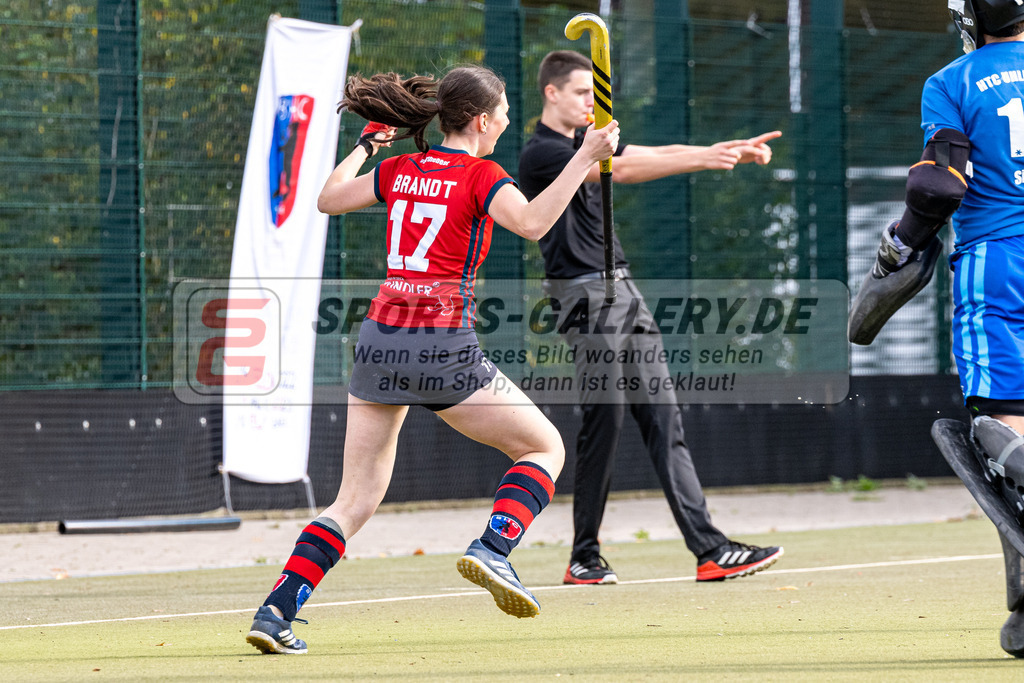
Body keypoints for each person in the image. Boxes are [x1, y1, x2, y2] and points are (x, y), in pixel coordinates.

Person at [245, 65, 620, 654]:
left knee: (354, 500)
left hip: (379, 339)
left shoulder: (397, 169)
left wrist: (367, 146)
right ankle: (494, 548)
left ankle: (275, 611)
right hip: (441, 344)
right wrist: (585, 156)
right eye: (498, 116)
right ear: (478, 120)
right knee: (544, 448)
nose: (501, 125)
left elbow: (327, 199)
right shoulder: (482, 174)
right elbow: (531, 223)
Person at [518, 50, 784, 586]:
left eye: (593, 95)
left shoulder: (579, 145)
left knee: (665, 420)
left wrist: (715, 149)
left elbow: (643, 151)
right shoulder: (544, 152)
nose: (589, 103)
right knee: (606, 420)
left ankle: (710, 550)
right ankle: (584, 556)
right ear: (551, 93)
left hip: (625, 289)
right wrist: (702, 162)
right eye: (580, 94)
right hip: (583, 296)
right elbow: (626, 167)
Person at [862, 0, 1024, 657]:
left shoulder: (953, 80)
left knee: (1001, 429)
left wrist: (897, 246)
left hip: (999, 266)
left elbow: (937, 188)